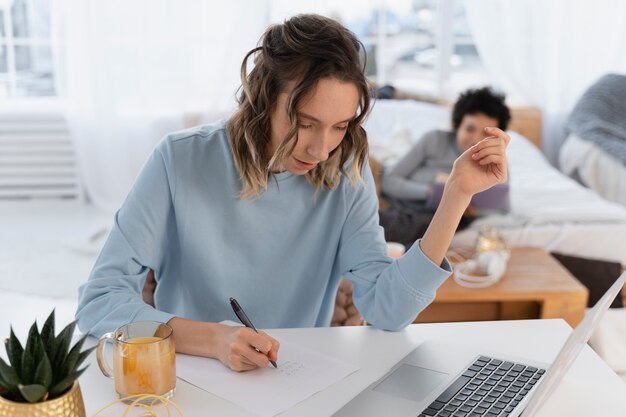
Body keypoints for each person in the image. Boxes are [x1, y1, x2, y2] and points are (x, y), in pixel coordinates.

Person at [76, 14, 510, 372]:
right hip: (188, 370)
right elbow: (100, 302)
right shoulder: (178, 159)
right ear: (262, 98)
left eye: (340, 127)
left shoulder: (346, 170)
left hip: (296, 376)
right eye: (305, 122)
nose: (321, 149)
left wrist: (456, 194)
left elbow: (388, 310)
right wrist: (214, 339)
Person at [379, 87, 511, 247]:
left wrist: (466, 205)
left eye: (486, 134)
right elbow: (389, 181)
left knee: (434, 223)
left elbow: (502, 208)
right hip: (401, 205)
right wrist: (429, 192)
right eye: (470, 129)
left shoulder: (494, 161)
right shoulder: (433, 140)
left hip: (442, 215)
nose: (476, 139)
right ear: (457, 125)